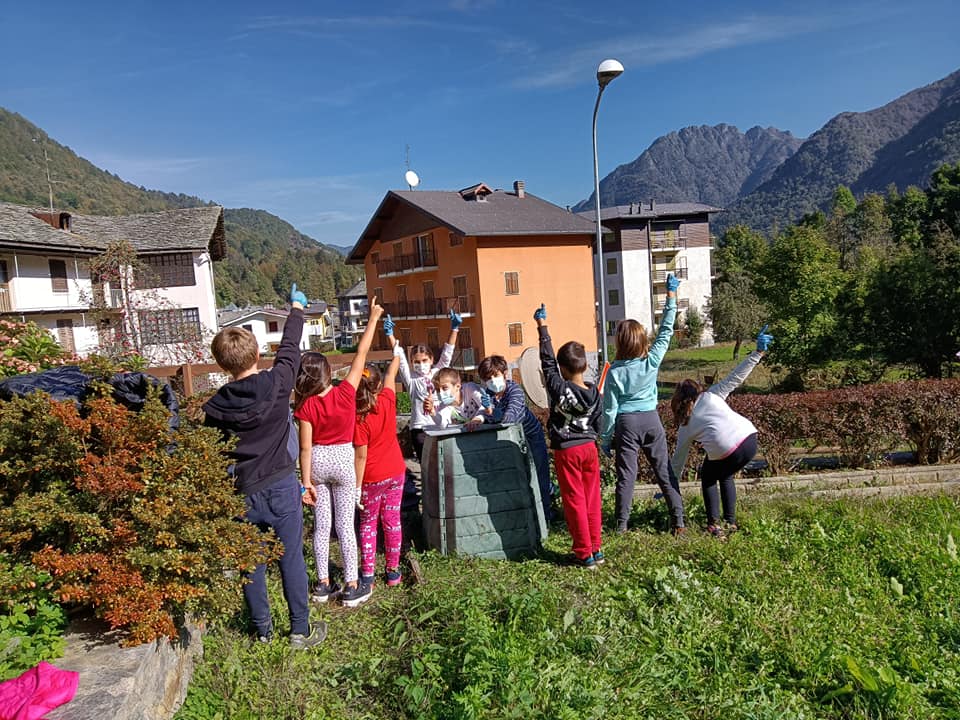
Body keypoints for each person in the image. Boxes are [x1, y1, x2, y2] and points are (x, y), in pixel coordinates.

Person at [203, 283, 325, 649]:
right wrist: (296, 309)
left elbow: (214, 453)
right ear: (257, 353)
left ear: (222, 363)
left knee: (250, 565)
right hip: (282, 487)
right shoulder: (276, 383)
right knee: (291, 559)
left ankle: (262, 632)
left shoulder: (215, 407)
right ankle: (300, 631)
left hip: (241, 493)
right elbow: (289, 349)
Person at [294, 296, 384, 609]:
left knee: (321, 527)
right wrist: (372, 318)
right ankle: (351, 583)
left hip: (317, 462)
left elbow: (304, 446)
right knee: (346, 526)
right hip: (344, 460)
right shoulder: (346, 393)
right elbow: (361, 353)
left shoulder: (305, 406)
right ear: (328, 372)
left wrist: (305, 482)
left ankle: (321, 584)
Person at [601, 274, 684, 535]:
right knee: (663, 471)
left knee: (627, 476)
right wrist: (671, 297)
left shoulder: (614, 372)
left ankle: (622, 526)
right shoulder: (651, 362)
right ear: (642, 341)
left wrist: (605, 438)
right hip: (651, 419)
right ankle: (678, 522)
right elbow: (666, 331)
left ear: (620, 343)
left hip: (626, 424)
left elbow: (609, 408)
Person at [671, 325, 773, 538]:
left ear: (679, 401)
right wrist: (758, 352)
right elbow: (737, 377)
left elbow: (678, 461)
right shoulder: (712, 395)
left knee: (708, 476)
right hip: (750, 439)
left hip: (729, 447)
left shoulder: (686, 424)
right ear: (698, 390)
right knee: (724, 473)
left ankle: (714, 525)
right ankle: (731, 522)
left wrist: (669, 487)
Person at [534, 303, 603, 569]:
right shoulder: (595, 393)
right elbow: (599, 421)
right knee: (592, 498)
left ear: (563, 368)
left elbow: (547, 362)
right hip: (589, 448)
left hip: (568, 451)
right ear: (584, 365)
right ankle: (596, 548)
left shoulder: (558, 387)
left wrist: (543, 328)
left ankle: (583, 553)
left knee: (574, 500)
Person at [476, 354, 553, 520]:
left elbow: (510, 419)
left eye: (495, 376)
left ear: (505, 374)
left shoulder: (514, 390)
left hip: (531, 438)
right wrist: (484, 414)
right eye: (487, 378)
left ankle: (546, 515)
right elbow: (489, 419)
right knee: (520, 477)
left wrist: (491, 412)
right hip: (511, 440)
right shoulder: (488, 395)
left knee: (539, 475)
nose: (492, 381)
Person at [353, 352, 405, 590]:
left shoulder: (359, 417)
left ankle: (368, 575)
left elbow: (361, 456)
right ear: (378, 385)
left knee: (368, 524)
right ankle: (393, 572)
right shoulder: (388, 399)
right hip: (395, 471)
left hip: (371, 478)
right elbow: (392, 373)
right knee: (392, 520)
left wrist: (356, 486)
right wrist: (396, 350)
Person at [393, 310, 462, 460]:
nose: (421, 364)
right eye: (416, 362)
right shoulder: (411, 380)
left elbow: (447, 353)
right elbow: (400, 358)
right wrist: (390, 335)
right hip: (420, 429)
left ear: (431, 359)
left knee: (444, 464)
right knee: (426, 466)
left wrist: (454, 328)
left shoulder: (438, 373)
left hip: (441, 426)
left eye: (424, 360)